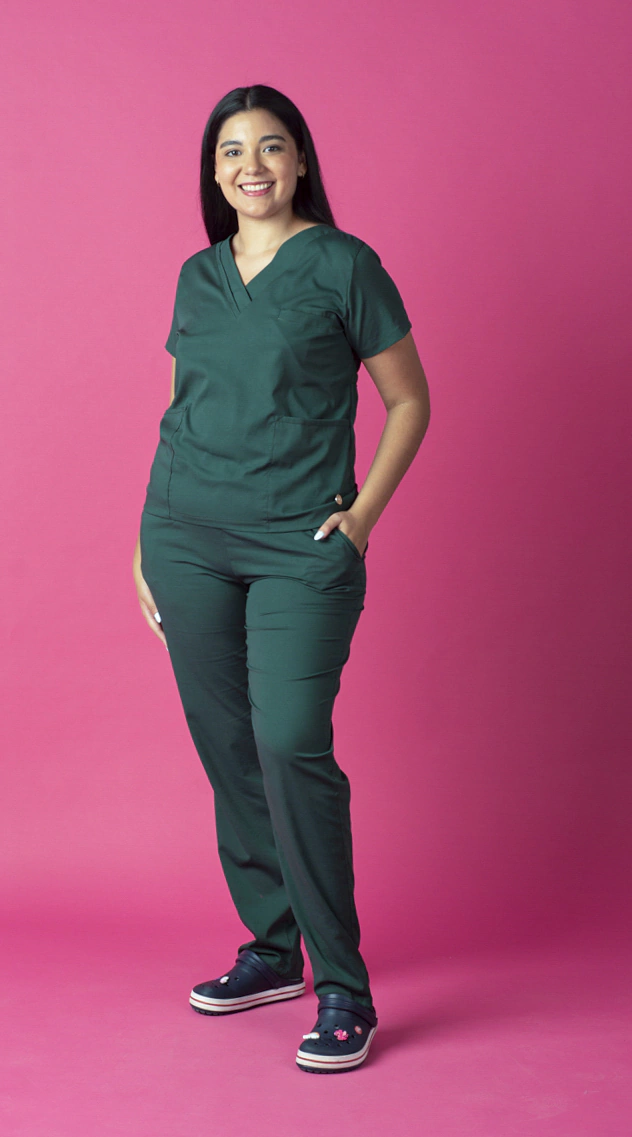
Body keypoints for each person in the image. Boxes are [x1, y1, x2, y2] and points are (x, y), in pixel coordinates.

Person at [133, 84, 430, 1074]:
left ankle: (343, 985)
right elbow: (179, 407)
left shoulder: (345, 266)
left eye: (269, 146)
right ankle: (271, 948)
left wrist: (361, 519)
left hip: (299, 545)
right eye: (231, 150)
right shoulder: (197, 276)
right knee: (226, 744)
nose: (250, 165)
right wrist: (143, 536)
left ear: (300, 160)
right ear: (213, 172)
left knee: (289, 738)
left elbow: (409, 400)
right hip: (185, 536)